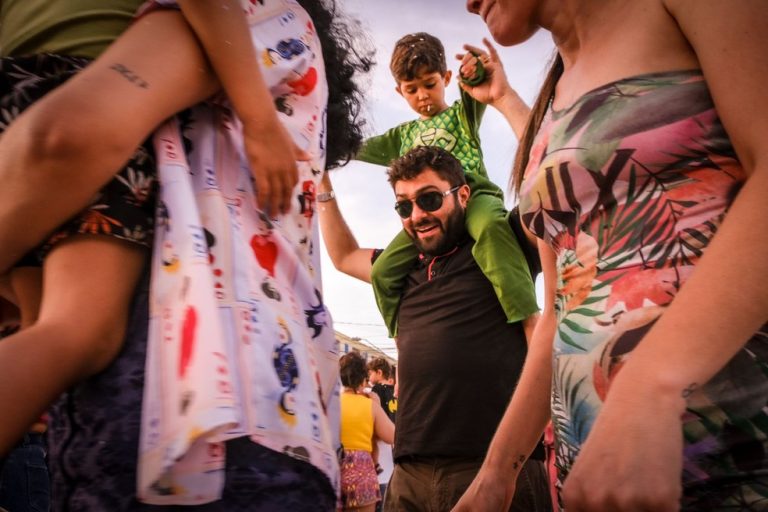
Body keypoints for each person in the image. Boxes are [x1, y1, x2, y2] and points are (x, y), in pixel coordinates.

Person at [1, 0, 372, 509]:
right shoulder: (280, 67)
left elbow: (67, 134)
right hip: (269, 425)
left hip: (185, 421)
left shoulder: (262, 28)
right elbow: (67, 135)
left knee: (66, 328)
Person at [455, 1, 768, 511]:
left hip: (733, 455)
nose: (467, 3)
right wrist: (495, 475)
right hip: (587, 478)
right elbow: (560, 312)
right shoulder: (552, 106)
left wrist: (655, 382)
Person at [319, 146, 552, 512]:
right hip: (409, 478)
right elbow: (344, 256)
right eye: (404, 206)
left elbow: (551, 197)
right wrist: (321, 180)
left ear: (463, 195)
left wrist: (516, 112)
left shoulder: (503, 242)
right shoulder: (402, 270)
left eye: (429, 199)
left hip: (492, 473)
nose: (417, 215)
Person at [355, 32, 538, 338]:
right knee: (382, 271)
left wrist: (474, 69)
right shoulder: (402, 136)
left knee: (492, 228)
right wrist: (328, 144)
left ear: (446, 78)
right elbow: (354, 147)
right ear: (400, 92)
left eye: (430, 84)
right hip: (429, 211)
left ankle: (527, 317)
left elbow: (476, 85)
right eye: (412, 90)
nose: (422, 95)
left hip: (473, 196)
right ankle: (401, 336)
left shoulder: (461, 114)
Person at [339, 351, 395, 512]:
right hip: (361, 468)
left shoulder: (332, 402)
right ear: (363, 379)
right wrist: (377, 404)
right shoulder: (369, 404)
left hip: (334, 466)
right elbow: (392, 436)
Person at [367, 357, 397, 422]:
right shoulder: (394, 390)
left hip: (382, 424)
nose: (369, 377)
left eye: (370, 374)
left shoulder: (377, 389)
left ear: (379, 372)